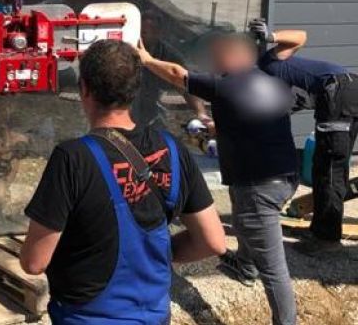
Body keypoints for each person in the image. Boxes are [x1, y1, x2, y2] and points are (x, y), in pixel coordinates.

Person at [20, 40, 225, 325]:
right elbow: (213, 242)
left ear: (84, 89)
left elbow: (34, 262)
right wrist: (152, 255)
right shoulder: (171, 148)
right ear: (136, 89)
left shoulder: (73, 159)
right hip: (153, 316)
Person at [138, 33, 298, 325]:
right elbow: (252, 120)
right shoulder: (270, 82)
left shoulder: (225, 85)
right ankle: (245, 267)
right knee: (244, 216)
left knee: (274, 268)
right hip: (284, 176)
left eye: (218, 57)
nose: (213, 64)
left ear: (233, 57)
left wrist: (147, 60)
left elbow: (177, 74)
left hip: (259, 184)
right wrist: (215, 129)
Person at [250, 19, 358, 246]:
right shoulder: (275, 86)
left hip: (338, 91)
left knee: (329, 169)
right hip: (347, 92)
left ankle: (325, 239)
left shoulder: (267, 64)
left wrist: (270, 37)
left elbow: (300, 36)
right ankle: (322, 230)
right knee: (331, 167)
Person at [131, 10, 210, 130]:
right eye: (139, 32)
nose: (140, 37)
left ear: (158, 33)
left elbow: (185, 84)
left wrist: (201, 113)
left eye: (145, 32)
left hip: (150, 115)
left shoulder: (168, 55)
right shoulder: (125, 50)